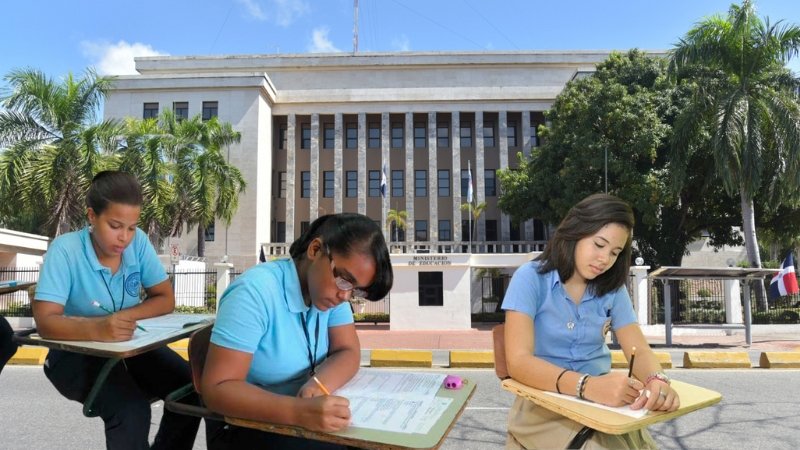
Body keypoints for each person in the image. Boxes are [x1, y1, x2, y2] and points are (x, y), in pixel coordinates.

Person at [33, 171, 204, 450]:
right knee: (131, 410)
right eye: (115, 225)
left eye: (132, 227)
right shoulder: (65, 250)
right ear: (91, 216)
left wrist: (125, 318)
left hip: (130, 346)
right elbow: (45, 322)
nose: (124, 237)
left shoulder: (138, 244)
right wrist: (98, 328)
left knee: (189, 390)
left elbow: (164, 298)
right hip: (75, 354)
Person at [502, 193, 680, 449]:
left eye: (615, 252)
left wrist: (657, 380)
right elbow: (518, 362)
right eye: (599, 244)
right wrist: (587, 386)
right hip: (541, 403)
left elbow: (637, 349)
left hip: (603, 404)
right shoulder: (530, 278)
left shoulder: (612, 288)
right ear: (575, 231)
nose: (605, 259)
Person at [202, 213, 393, 449]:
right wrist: (298, 411)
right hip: (254, 423)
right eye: (345, 281)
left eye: (355, 290)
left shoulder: (329, 295)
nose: (345, 296)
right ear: (315, 250)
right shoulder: (254, 293)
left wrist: (317, 385)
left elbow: (348, 351)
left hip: (304, 415)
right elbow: (217, 388)